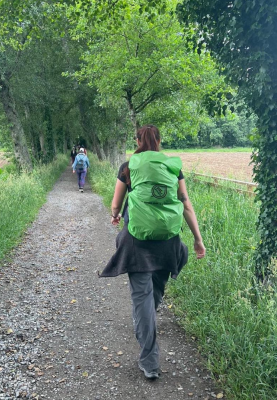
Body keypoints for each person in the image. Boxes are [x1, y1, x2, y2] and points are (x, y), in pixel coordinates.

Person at [100, 124, 206, 380]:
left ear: (137, 140)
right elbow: (186, 204)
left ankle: (150, 361)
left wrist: (115, 216)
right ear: (159, 140)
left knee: (142, 300)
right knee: (154, 294)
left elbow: (115, 205)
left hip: (136, 243)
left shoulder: (128, 167)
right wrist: (198, 240)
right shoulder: (173, 167)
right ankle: (145, 323)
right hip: (168, 242)